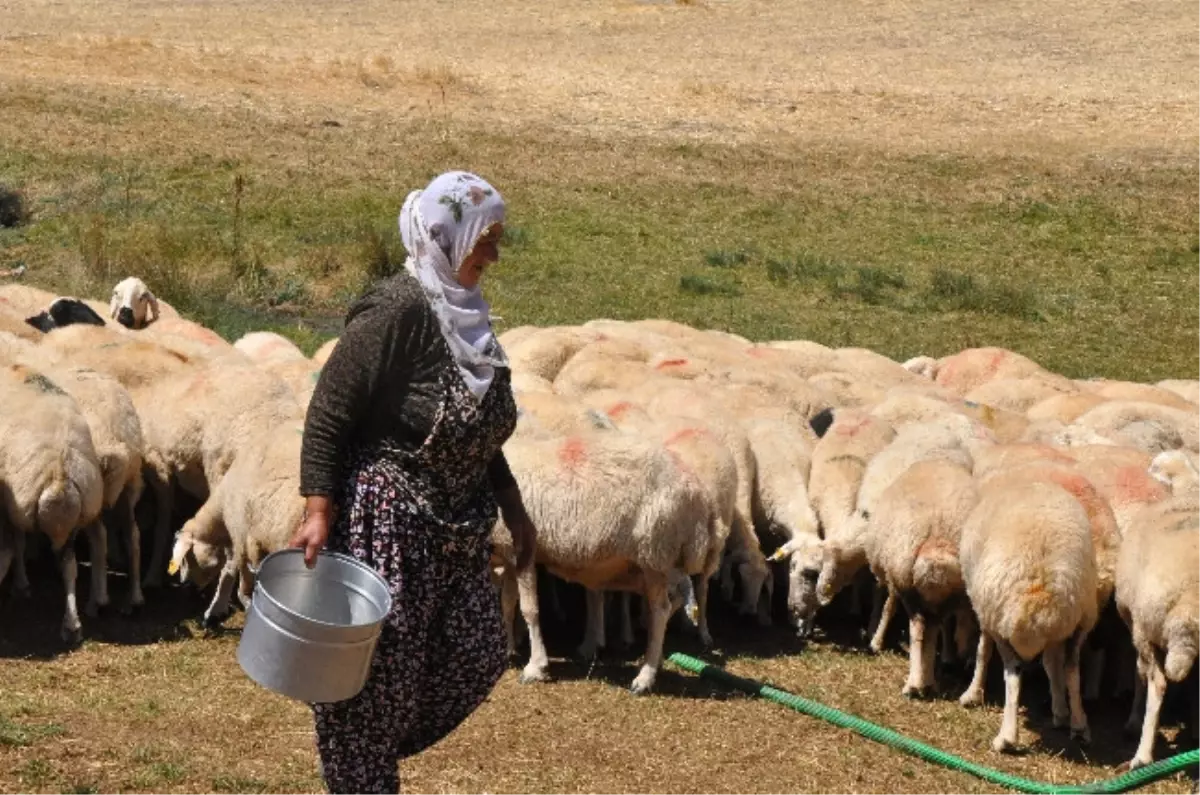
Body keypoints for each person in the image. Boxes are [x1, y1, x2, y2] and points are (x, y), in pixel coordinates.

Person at [289, 170, 537, 794]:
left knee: (479, 652)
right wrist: (319, 510)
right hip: (389, 524)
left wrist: (515, 507)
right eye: (487, 238)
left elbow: (475, 430)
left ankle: (364, 749)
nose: (494, 253)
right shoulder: (397, 309)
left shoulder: (469, 320)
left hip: (457, 527)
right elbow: (330, 412)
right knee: (380, 682)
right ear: (450, 232)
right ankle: (363, 764)